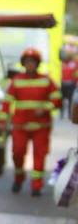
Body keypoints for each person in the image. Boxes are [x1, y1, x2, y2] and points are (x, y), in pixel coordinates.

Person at [4, 47, 63, 196]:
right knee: (17, 153)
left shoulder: (46, 80)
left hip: (40, 126)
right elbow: (7, 102)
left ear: (37, 64)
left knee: (39, 155)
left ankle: (36, 186)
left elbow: (57, 100)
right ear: (23, 64)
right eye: (27, 62)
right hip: (20, 125)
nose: (30, 65)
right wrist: (2, 119)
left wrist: (45, 108)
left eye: (33, 62)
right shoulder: (16, 81)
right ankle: (18, 179)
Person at [61, 49, 76, 120]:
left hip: (71, 84)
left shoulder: (74, 63)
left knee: (70, 100)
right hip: (63, 83)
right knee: (61, 99)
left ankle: (70, 115)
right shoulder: (62, 63)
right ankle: (61, 114)